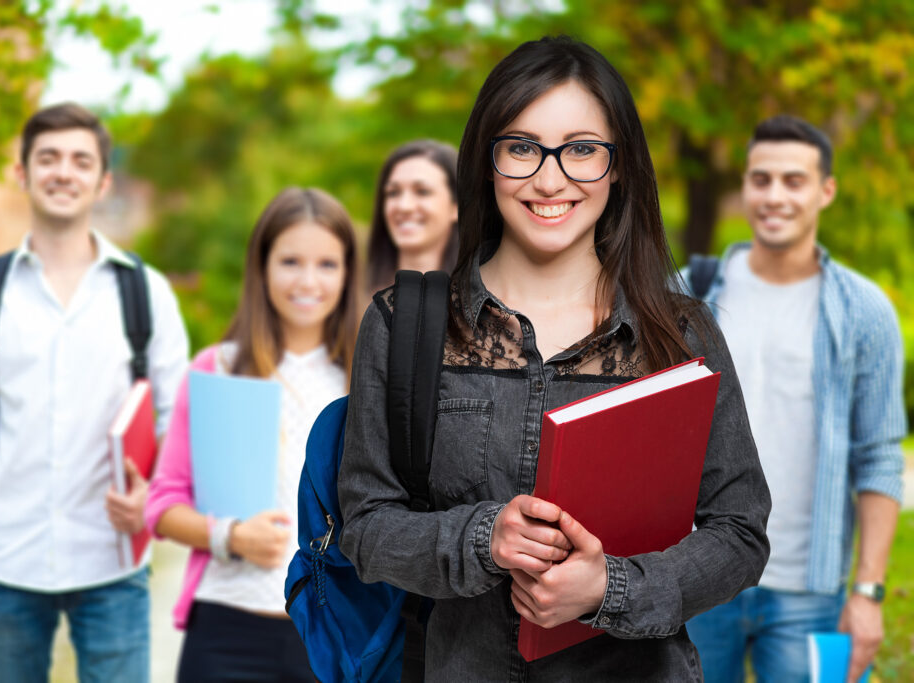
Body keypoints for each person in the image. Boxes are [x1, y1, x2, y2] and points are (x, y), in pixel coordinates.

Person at [338, 35, 771, 681]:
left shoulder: (681, 334)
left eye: (581, 150)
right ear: (486, 162)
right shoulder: (405, 323)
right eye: (521, 147)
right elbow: (366, 528)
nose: (550, 177)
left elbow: (738, 532)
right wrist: (484, 537)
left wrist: (611, 588)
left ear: (619, 165)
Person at [0, 102, 190, 682]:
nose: (63, 172)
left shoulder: (147, 294)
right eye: (48, 158)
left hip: (115, 562)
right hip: (8, 563)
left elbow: (175, 424)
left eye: (79, 160)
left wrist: (153, 495)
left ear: (103, 181)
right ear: (21, 173)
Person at [684, 115, 906, 683]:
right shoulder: (685, 295)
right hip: (697, 578)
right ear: (745, 185)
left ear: (825, 190)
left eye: (793, 180)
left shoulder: (864, 311)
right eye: (761, 179)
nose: (774, 196)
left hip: (811, 593)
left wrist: (868, 593)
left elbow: (879, 457)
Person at [145, 187, 359, 682]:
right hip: (227, 633)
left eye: (327, 264)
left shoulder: (365, 381)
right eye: (290, 261)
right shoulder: (219, 370)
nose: (308, 280)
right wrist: (231, 536)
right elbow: (162, 504)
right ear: (261, 267)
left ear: (348, 274)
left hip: (332, 636)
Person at [366, 139, 459, 292]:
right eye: (393, 193)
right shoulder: (353, 299)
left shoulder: (484, 307)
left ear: (457, 206)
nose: (404, 206)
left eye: (422, 191)